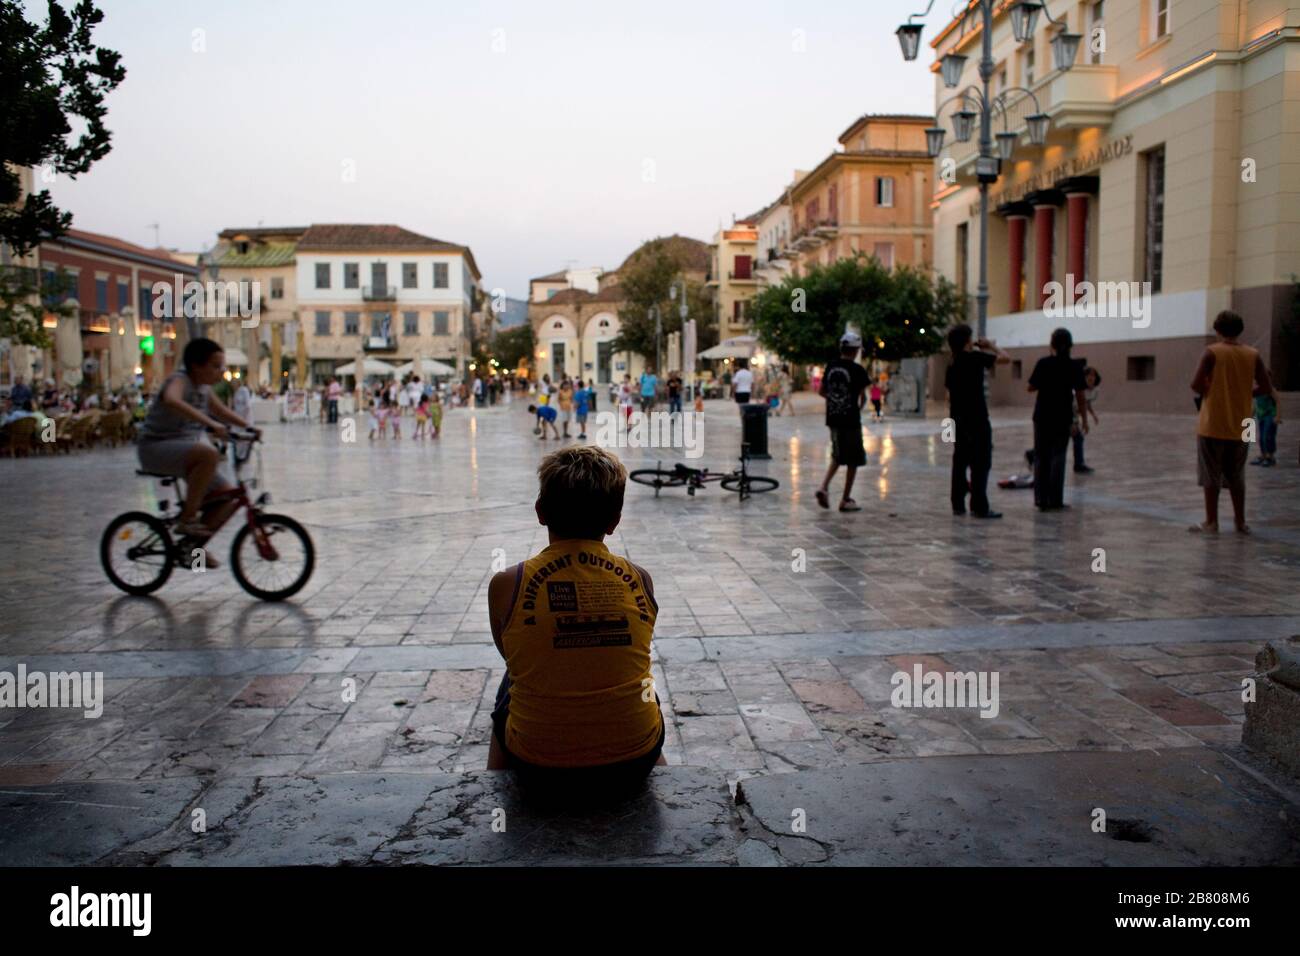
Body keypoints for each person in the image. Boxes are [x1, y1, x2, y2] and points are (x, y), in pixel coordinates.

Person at [485, 446, 666, 801]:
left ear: (540, 512)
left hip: (538, 766)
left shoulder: (508, 584)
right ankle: (659, 770)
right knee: (641, 684)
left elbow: (511, 657)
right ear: (614, 521)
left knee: (513, 678)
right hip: (633, 761)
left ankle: (493, 785)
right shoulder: (640, 579)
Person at [136, 338, 259, 555]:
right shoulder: (180, 380)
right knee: (208, 454)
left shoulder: (204, 389)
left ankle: (191, 548)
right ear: (196, 365)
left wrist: (248, 427)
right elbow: (172, 399)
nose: (221, 371)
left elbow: (221, 412)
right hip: (155, 448)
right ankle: (187, 519)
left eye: (222, 366)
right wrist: (210, 423)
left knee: (227, 496)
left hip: (182, 449)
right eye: (215, 366)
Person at [1190, 310, 1281, 534]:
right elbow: (1266, 387)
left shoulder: (1212, 352)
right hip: (1244, 423)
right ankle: (1240, 522)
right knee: (1237, 473)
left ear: (1218, 330)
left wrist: (1211, 390)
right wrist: (1246, 393)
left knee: (1211, 472)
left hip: (1213, 421)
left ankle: (1212, 521)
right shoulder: (1253, 354)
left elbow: (1195, 384)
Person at [945, 323, 1009, 519]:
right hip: (977, 417)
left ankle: (957, 503)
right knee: (981, 461)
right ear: (967, 341)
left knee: (960, 459)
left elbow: (948, 395)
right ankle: (979, 505)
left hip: (956, 418)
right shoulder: (975, 358)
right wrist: (990, 345)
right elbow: (1006, 359)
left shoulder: (952, 364)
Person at [1028, 328, 1088, 511]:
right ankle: (1055, 500)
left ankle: (1040, 498)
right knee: (1058, 457)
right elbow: (1080, 396)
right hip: (1062, 417)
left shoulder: (1043, 363)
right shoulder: (1075, 366)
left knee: (1041, 457)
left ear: (1051, 344)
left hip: (1042, 416)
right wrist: (1084, 419)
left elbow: (1030, 387)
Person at [815, 332, 870, 513]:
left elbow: (821, 391)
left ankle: (824, 487)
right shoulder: (857, 370)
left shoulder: (831, 367)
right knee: (854, 459)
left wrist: (834, 400)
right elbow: (863, 398)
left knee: (838, 455)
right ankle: (845, 499)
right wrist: (856, 408)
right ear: (855, 351)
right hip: (850, 420)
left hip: (833, 419)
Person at [1072, 367, 1101, 473]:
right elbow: (1075, 403)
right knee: (1060, 439)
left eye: (1093, 375)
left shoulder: (1095, 391)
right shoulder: (1078, 389)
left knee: (1077, 438)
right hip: (1068, 412)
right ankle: (1079, 464)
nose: (1091, 378)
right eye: (1089, 375)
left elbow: (1086, 403)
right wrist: (1074, 421)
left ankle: (1079, 464)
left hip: (1075, 414)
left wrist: (1093, 415)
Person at [1250, 385, 1280, 467]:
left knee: (1268, 436)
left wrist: (1278, 416)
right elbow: (1256, 403)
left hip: (1270, 415)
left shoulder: (1270, 389)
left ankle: (1270, 456)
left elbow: (1277, 401)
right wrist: (1251, 415)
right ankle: (1263, 455)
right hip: (1261, 416)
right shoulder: (1257, 390)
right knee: (1261, 437)